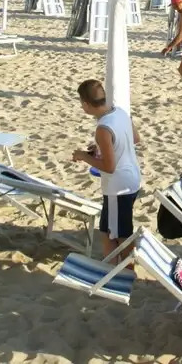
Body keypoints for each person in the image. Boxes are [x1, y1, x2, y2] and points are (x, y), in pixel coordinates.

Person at [71, 80, 142, 257]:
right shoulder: (120, 112)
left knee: (118, 235)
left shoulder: (103, 129)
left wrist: (83, 156)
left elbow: (109, 167)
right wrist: (102, 148)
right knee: (107, 230)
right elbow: (135, 138)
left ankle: (125, 269)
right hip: (132, 178)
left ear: (85, 104)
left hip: (117, 187)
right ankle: (115, 266)